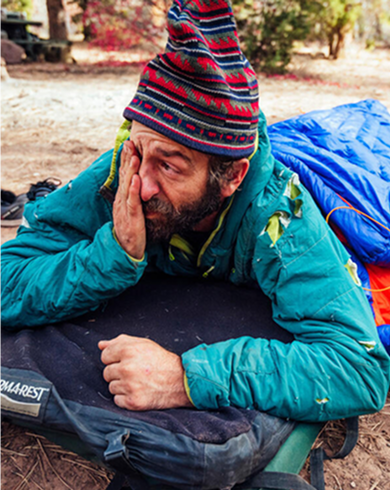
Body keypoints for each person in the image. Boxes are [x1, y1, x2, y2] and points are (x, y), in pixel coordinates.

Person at [0, 0, 389, 422]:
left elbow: (358, 367)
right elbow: (7, 280)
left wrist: (185, 377)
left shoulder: (280, 219)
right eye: (138, 149)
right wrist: (112, 254)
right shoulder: (123, 172)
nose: (142, 185)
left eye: (169, 165)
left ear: (232, 177)